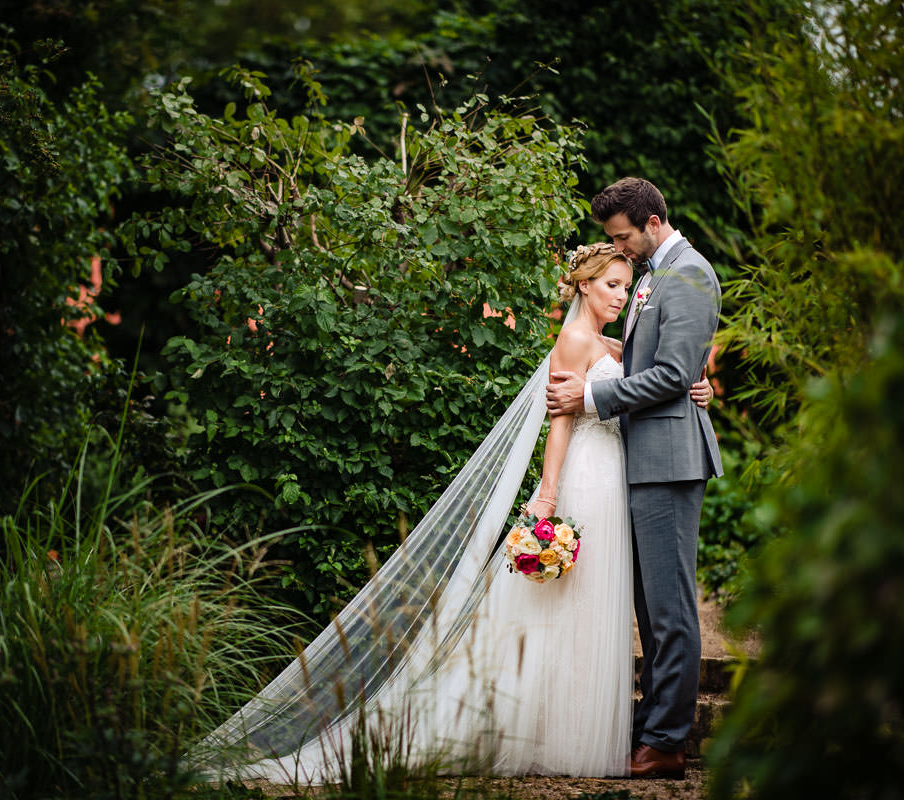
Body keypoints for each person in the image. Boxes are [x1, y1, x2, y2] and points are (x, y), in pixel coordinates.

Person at [199, 241, 713, 783]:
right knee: (566, 604)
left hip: (615, 480)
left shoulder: (611, 343)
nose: (622, 294)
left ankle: (586, 723)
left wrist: (693, 388)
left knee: (596, 604)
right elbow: (558, 426)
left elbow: (653, 377)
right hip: (585, 478)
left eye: (625, 286)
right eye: (611, 284)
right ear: (584, 284)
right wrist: (547, 493)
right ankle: (544, 728)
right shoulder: (571, 341)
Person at [545, 177, 723, 779]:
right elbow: (658, 362)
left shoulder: (690, 274)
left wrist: (592, 397)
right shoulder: (651, 275)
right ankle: (650, 728)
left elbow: (673, 371)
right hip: (643, 457)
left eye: (622, 235)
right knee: (650, 609)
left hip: (671, 460)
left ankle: (668, 741)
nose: (619, 246)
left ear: (651, 223)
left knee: (669, 608)